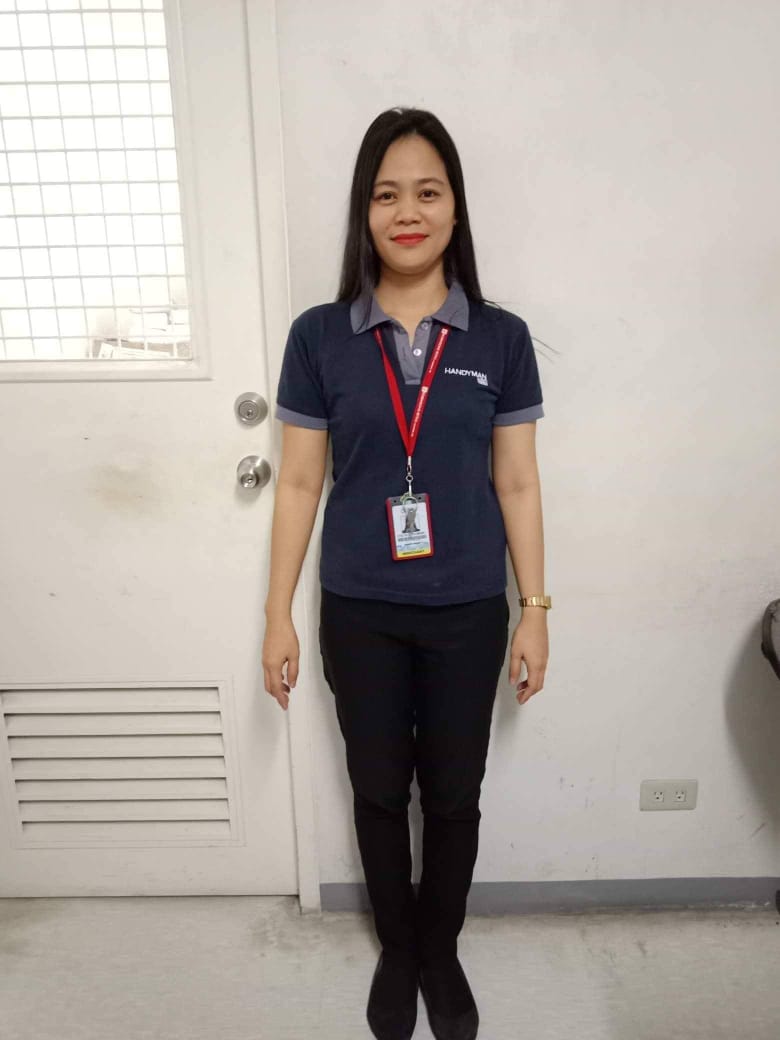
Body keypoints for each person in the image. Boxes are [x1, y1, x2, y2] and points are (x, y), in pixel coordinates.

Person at [262, 107, 550, 1040]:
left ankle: (440, 948)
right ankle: (397, 948)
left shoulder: (500, 338)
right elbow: (299, 483)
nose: (408, 212)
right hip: (360, 609)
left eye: (428, 192)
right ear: (365, 212)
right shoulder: (319, 336)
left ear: (455, 208)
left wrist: (535, 608)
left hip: (468, 609)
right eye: (387, 195)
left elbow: (517, 481)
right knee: (380, 791)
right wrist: (278, 615)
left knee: (455, 795)